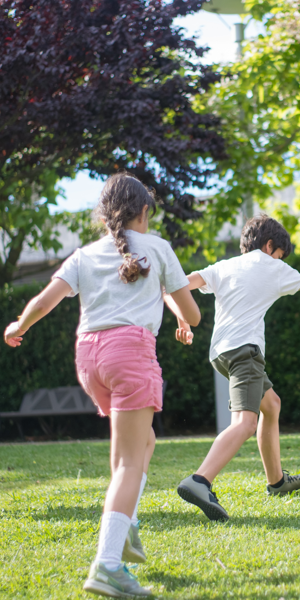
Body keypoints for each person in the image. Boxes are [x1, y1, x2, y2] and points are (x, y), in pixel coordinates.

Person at [4, 173, 200, 598]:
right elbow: (194, 313)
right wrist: (184, 317)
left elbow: (45, 300)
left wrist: (19, 325)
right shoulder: (159, 248)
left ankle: (125, 524)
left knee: (139, 443)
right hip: (130, 353)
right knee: (133, 460)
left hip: (89, 358)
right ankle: (108, 564)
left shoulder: (86, 253)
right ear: (144, 211)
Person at [168, 214, 300, 521]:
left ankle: (277, 482)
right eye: (280, 254)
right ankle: (200, 480)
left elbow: (179, 287)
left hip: (221, 353)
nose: (279, 259)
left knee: (271, 404)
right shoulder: (273, 266)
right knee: (245, 423)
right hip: (245, 352)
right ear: (271, 246)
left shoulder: (225, 265)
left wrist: (183, 321)